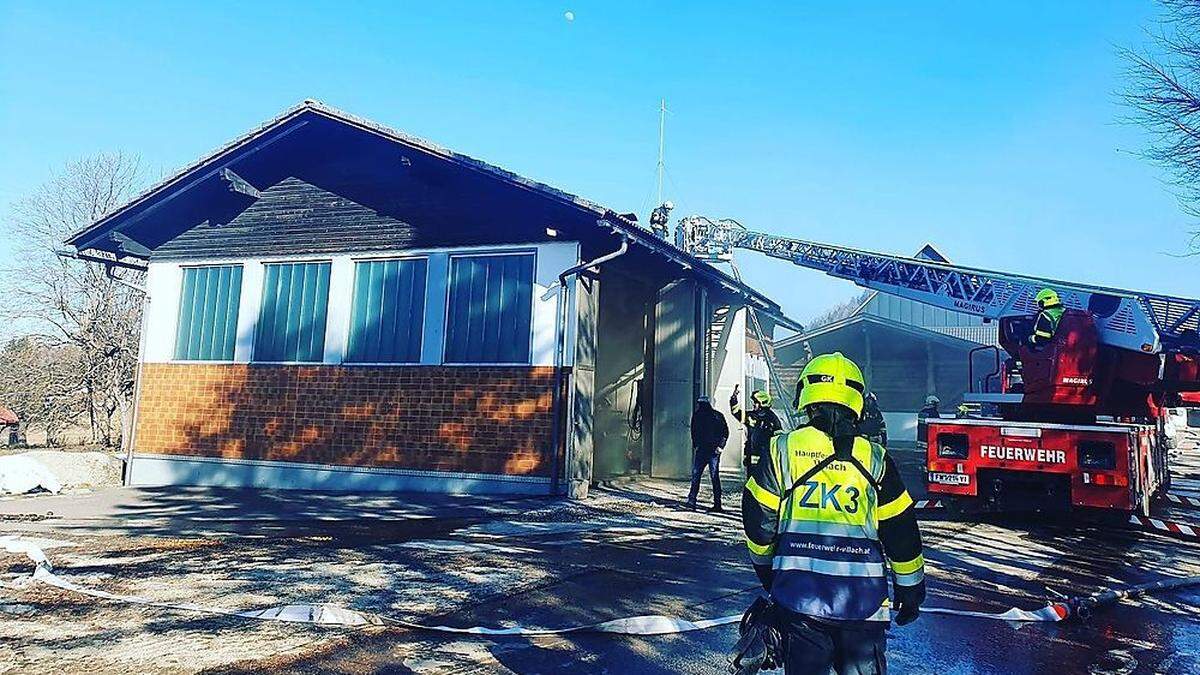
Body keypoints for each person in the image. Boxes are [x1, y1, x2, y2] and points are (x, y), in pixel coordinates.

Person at [741, 352, 925, 675]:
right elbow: (902, 532)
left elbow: (758, 522)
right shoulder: (875, 459)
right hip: (863, 608)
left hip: (800, 603)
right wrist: (910, 591)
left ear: (807, 398)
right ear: (856, 401)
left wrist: (768, 574)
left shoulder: (782, 449)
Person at [688, 395, 729, 512]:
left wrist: (696, 445)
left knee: (697, 475)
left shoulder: (697, 416)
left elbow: (693, 431)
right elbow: (725, 432)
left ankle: (692, 501)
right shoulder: (717, 415)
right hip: (712, 451)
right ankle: (717, 504)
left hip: (705, 450)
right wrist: (720, 446)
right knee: (714, 477)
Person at [732, 386, 784, 470]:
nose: (753, 404)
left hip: (765, 457)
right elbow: (736, 412)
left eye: (756, 402)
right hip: (751, 456)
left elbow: (779, 438)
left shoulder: (772, 419)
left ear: (762, 403)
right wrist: (734, 398)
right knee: (750, 480)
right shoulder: (751, 416)